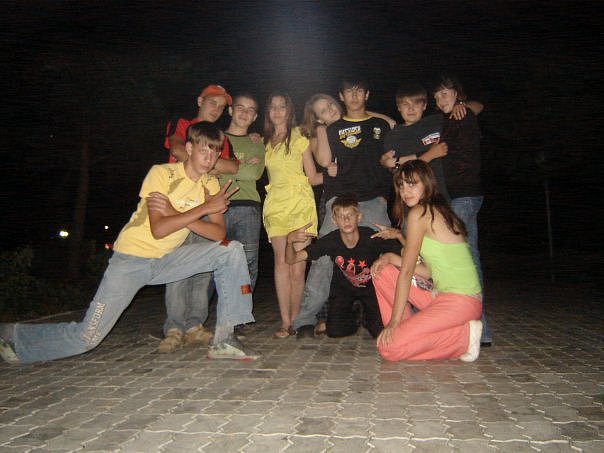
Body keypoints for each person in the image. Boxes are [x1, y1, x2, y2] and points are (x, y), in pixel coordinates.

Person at [0, 122, 259, 364]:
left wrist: (180, 213)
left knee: (231, 250)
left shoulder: (210, 183)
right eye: (204, 150)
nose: (210, 158)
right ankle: (14, 336)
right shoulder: (162, 174)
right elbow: (159, 229)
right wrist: (201, 209)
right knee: (87, 338)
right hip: (132, 260)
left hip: (167, 260)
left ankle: (225, 339)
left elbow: (218, 234)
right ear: (189, 148)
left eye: (215, 153)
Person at [292, 77, 393, 336]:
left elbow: (391, 133)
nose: (330, 110)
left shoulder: (377, 124)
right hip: (339, 200)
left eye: (330, 105)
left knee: (388, 251)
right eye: (323, 111)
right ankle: (304, 320)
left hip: (373, 201)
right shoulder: (329, 131)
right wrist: (324, 129)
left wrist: (384, 195)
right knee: (323, 257)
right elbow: (324, 161)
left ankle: (393, 316)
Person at [371, 160, 482, 362]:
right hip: (441, 295)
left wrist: (393, 322)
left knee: (389, 349)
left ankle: (464, 338)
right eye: (401, 185)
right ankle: (405, 330)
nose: (405, 191)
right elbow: (428, 271)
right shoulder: (435, 210)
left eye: (412, 184)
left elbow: (407, 272)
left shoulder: (420, 213)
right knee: (383, 271)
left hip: (461, 301)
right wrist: (392, 253)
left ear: (427, 183)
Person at [159, 84, 239, 353]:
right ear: (199, 101)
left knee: (203, 269)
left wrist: (204, 163)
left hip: (206, 206)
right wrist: (208, 165)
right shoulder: (182, 124)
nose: (216, 109)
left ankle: (194, 325)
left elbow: (232, 166)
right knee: (177, 267)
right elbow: (177, 149)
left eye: (221, 106)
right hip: (177, 205)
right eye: (212, 103)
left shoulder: (220, 137)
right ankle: (174, 328)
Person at [287, 196, 401, 338]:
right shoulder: (331, 240)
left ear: (359, 217)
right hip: (343, 291)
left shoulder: (371, 237)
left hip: (370, 290)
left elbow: (405, 253)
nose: (346, 220)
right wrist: (289, 242)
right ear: (334, 221)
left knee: (379, 331)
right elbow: (292, 259)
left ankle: (367, 316)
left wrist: (398, 235)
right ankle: (355, 316)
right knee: (335, 332)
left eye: (350, 215)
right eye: (341, 216)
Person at [432, 74, 491, 346]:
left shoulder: (462, 115)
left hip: (466, 195)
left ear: (457, 94)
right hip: (455, 197)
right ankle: (466, 324)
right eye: (437, 96)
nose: (440, 99)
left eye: (445, 93)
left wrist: (465, 105)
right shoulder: (446, 120)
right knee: (461, 257)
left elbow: (481, 105)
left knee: (467, 257)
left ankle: (481, 328)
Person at [263, 92, 322, 339]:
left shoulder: (299, 136)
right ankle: (285, 321)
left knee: (297, 267)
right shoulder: (264, 142)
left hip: (300, 205)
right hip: (275, 205)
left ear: (289, 110)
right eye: (273, 107)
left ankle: (297, 319)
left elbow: (313, 176)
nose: (277, 111)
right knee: (281, 263)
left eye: (282, 106)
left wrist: (339, 173)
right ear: (268, 112)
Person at [222, 93, 265, 291]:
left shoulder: (256, 142)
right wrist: (243, 165)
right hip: (217, 206)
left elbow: (254, 173)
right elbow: (207, 168)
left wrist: (223, 166)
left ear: (255, 117)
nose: (244, 113)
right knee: (214, 261)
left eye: (250, 110)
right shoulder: (217, 138)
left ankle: (243, 306)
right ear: (231, 110)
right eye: (240, 107)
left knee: (247, 263)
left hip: (248, 207)